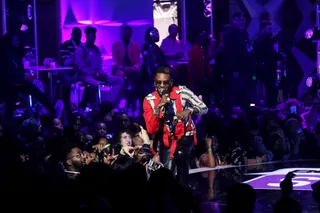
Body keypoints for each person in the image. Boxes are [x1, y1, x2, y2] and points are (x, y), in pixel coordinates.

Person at [143, 67, 208, 186]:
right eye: (158, 82)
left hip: (185, 135)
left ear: (171, 82)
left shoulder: (183, 92)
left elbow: (204, 108)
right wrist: (158, 107)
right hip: (165, 139)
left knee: (180, 156)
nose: (162, 85)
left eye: (165, 82)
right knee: (167, 172)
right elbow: (152, 129)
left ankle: (183, 189)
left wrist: (189, 110)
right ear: (154, 82)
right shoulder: (149, 100)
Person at [0, 31, 55, 120]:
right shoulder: (8, 54)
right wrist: (23, 77)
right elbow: (11, 70)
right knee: (36, 94)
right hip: (12, 83)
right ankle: (52, 112)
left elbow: (16, 68)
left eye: (18, 40)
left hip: (17, 82)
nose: (17, 42)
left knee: (37, 94)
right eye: (14, 40)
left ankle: (51, 112)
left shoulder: (15, 52)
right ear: (9, 41)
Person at [74, 26, 124, 107]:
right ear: (86, 36)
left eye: (94, 36)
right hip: (85, 76)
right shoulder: (81, 49)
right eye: (91, 36)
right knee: (95, 84)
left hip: (97, 75)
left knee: (120, 80)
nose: (93, 38)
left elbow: (99, 67)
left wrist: (102, 73)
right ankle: (89, 103)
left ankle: (108, 103)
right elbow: (81, 68)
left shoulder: (96, 49)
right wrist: (95, 73)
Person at [223, 12, 256, 110]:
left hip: (245, 69)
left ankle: (244, 115)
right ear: (234, 21)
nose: (242, 22)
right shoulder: (231, 34)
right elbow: (231, 53)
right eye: (239, 19)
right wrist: (234, 69)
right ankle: (234, 117)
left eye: (243, 19)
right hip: (237, 70)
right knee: (236, 94)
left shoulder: (244, 33)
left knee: (244, 95)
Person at [112, 26, 141, 114]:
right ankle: (118, 102)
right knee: (120, 77)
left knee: (139, 78)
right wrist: (123, 68)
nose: (126, 34)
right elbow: (116, 61)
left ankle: (134, 102)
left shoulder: (135, 46)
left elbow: (137, 61)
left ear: (130, 34)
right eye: (125, 32)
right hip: (120, 68)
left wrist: (133, 68)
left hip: (132, 69)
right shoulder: (116, 45)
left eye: (128, 33)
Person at [254, 21, 279, 108]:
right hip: (264, 69)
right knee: (272, 89)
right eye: (268, 29)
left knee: (272, 89)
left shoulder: (266, 40)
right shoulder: (261, 41)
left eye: (270, 29)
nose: (270, 31)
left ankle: (270, 108)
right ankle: (270, 109)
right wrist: (279, 56)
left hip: (267, 68)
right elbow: (268, 54)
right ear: (262, 29)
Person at [59, 27, 83, 110]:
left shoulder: (83, 46)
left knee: (90, 80)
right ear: (72, 34)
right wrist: (74, 57)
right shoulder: (65, 45)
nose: (78, 36)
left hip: (79, 71)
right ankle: (66, 105)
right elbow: (65, 62)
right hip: (67, 71)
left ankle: (83, 104)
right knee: (67, 81)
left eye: (80, 34)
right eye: (76, 34)